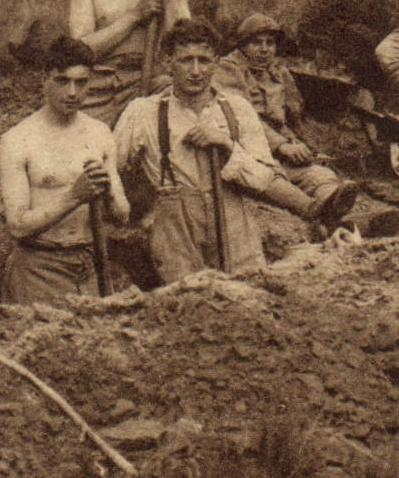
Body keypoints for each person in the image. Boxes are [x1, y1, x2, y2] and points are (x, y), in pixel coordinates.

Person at [113, 19, 280, 282]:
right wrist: (141, 214)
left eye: (204, 60)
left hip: (236, 229)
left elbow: (263, 179)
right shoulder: (143, 112)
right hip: (177, 235)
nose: (195, 71)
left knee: (246, 302)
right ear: (167, 62)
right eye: (185, 60)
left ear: (215, 61)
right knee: (188, 306)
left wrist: (226, 145)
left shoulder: (238, 109)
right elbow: (114, 170)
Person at [0, 36, 132, 306]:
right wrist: (75, 196)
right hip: (39, 269)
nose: (72, 92)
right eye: (62, 81)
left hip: (89, 265)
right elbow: (17, 225)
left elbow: (122, 214)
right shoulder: (17, 140)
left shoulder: (99, 133)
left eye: (81, 82)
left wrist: (107, 193)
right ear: (44, 79)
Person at [214, 13, 360, 225]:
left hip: (279, 151)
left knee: (319, 175)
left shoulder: (279, 73)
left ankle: (332, 205)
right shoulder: (229, 70)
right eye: (256, 43)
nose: (264, 50)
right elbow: (241, 119)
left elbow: (293, 120)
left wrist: (304, 148)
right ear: (243, 45)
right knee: (270, 178)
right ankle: (318, 214)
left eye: (270, 43)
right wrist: (282, 145)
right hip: (248, 151)